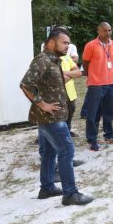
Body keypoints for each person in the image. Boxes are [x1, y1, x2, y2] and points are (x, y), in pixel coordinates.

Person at [20, 29, 94, 206]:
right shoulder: (42, 60)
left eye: (69, 43)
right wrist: (42, 104)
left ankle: (47, 187)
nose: (68, 46)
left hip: (51, 117)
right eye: (64, 43)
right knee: (67, 151)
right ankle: (70, 194)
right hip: (51, 118)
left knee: (48, 152)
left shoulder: (55, 60)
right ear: (52, 43)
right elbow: (26, 84)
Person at [82, 22, 113, 151]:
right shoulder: (91, 45)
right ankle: (92, 139)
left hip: (110, 83)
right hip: (96, 84)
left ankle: (109, 135)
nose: (108, 33)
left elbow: (112, 59)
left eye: (109, 30)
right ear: (98, 31)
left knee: (109, 111)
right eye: (105, 30)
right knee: (93, 114)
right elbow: (85, 62)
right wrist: (91, 76)